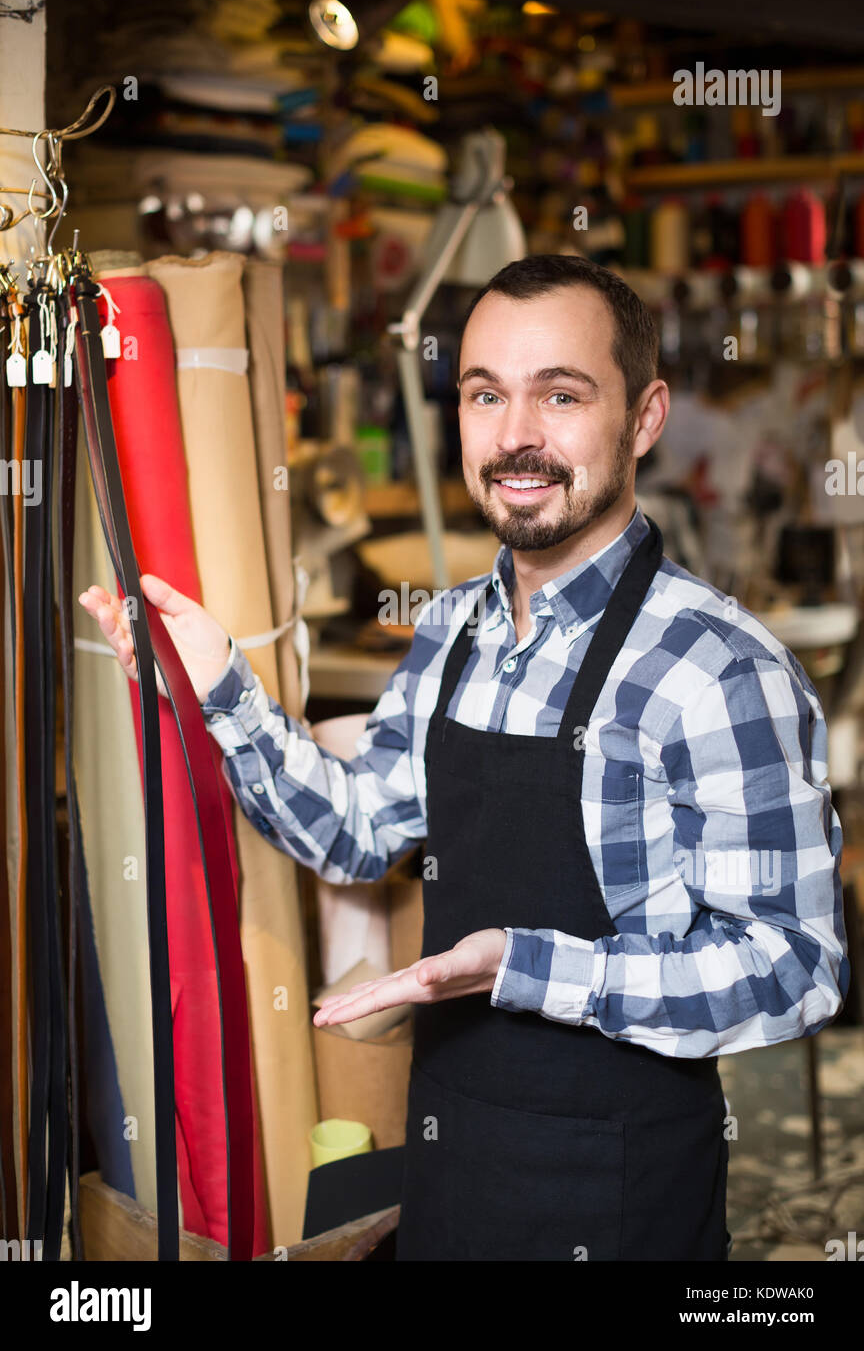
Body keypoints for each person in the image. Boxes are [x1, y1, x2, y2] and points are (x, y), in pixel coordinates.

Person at [79, 253, 848, 1262]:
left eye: (561, 394)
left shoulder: (718, 668)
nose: (516, 435)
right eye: (486, 394)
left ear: (647, 416)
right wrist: (223, 685)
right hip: (452, 1178)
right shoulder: (449, 634)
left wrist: (528, 966)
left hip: (619, 1205)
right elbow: (355, 835)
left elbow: (796, 969)